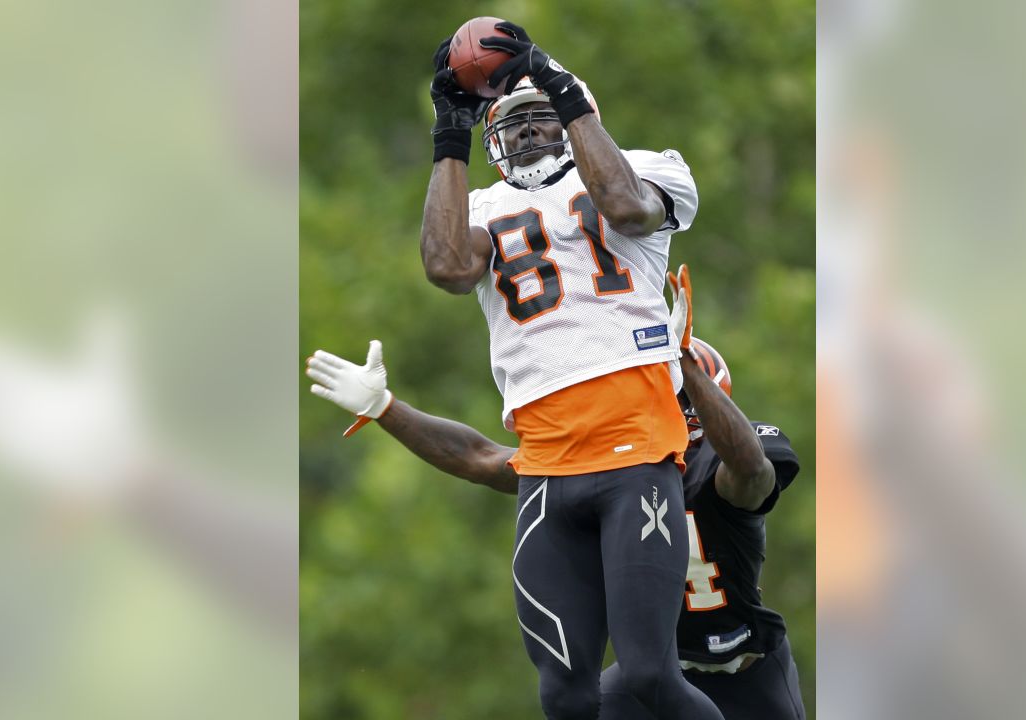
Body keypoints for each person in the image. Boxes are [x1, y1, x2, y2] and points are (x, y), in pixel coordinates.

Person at [306, 267, 806, 719]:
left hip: (750, 667)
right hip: (660, 676)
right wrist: (385, 408)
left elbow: (751, 470)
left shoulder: (724, 465)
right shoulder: (614, 461)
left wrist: (683, 364)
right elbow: (485, 458)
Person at [406, 17, 711, 720]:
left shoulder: (651, 168)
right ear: (492, 144)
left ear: (577, 113)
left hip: (636, 448)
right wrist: (449, 134)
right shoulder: (481, 205)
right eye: (512, 127)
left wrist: (560, 87)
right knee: (563, 694)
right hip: (545, 466)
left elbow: (629, 209)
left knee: (648, 674)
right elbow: (447, 267)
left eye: (544, 118)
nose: (531, 135)